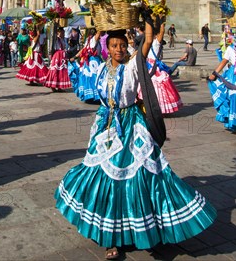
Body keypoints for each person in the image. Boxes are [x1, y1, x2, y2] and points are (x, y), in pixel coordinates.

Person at [55, 21, 216, 259]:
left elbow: (148, 41)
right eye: (114, 45)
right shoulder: (101, 68)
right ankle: (110, 238)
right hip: (105, 124)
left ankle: (147, 227)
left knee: (138, 175)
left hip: (131, 125)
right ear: (107, 48)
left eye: (122, 45)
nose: (119, 49)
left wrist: (150, 19)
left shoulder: (132, 65)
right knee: (102, 176)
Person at [142, 21, 183, 114]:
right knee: (155, 88)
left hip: (152, 67)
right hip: (150, 67)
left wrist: (161, 23)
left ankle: (158, 108)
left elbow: (162, 33)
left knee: (157, 88)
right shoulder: (150, 43)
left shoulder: (154, 43)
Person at [207, 40, 236, 132]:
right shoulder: (231, 48)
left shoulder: (231, 48)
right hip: (234, 77)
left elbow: (224, 61)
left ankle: (234, 122)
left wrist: (214, 74)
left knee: (232, 98)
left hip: (233, 77)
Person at [70, 28, 102, 103]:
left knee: (88, 78)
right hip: (93, 61)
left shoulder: (88, 40)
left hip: (88, 61)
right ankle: (95, 96)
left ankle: (90, 96)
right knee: (95, 77)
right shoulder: (93, 39)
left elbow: (83, 50)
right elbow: (83, 50)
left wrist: (74, 57)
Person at [44, 26, 71, 92]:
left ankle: (59, 86)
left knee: (61, 71)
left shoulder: (63, 39)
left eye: (63, 32)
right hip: (57, 55)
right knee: (55, 70)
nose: (63, 34)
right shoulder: (56, 39)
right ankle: (52, 86)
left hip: (62, 56)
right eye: (62, 32)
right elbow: (53, 36)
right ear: (58, 33)